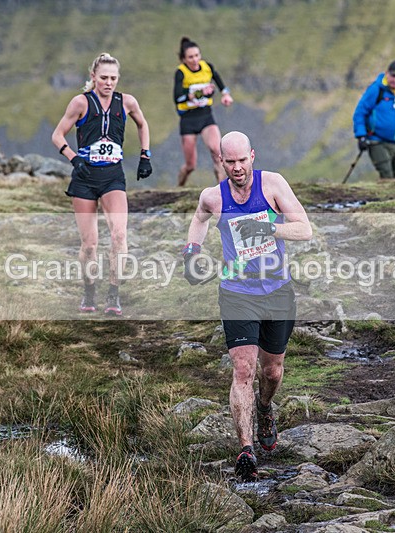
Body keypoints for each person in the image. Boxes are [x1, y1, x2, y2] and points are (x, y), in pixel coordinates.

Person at [183, 131, 312, 482]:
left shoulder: (272, 184)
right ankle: (246, 449)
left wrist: (269, 227)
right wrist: (191, 253)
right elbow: (199, 219)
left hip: (277, 291)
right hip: (237, 292)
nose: (237, 168)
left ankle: (265, 406)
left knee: (271, 373)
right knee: (243, 370)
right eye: (230, 162)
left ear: (252, 155)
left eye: (242, 160)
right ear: (221, 162)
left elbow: (305, 229)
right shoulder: (213, 196)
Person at [51, 52, 152, 315]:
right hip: (85, 178)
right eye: (104, 77)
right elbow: (57, 135)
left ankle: (113, 294)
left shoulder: (127, 102)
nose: (109, 83)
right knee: (90, 243)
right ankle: (89, 292)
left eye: (113, 78)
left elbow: (143, 125)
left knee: (119, 235)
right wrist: (74, 159)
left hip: (112, 177)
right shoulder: (80, 103)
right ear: (93, 77)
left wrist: (145, 155)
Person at [174, 37, 234, 186]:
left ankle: (222, 191)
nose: (194, 60)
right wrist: (200, 93)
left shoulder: (207, 67)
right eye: (190, 57)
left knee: (218, 152)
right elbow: (178, 98)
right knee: (191, 165)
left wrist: (226, 94)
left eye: (197, 55)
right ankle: (179, 187)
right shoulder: (181, 73)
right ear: (183, 59)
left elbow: (220, 83)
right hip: (188, 119)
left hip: (205, 115)